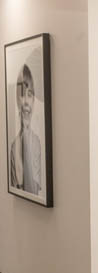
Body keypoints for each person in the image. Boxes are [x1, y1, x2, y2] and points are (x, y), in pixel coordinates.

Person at [10, 64, 41, 195]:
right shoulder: (14, 146)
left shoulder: (36, 142)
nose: (26, 102)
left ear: (34, 100)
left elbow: (32, 191)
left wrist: (27, 132)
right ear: (18, 100)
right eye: (23, 95)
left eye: (30, 94)